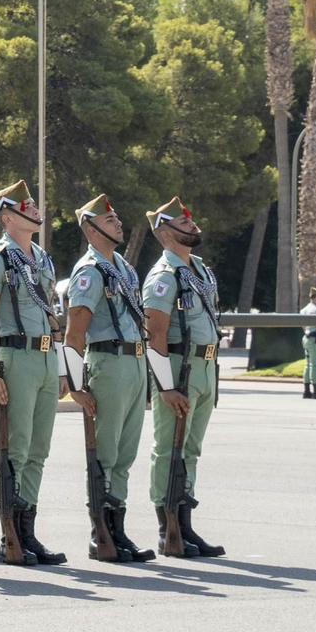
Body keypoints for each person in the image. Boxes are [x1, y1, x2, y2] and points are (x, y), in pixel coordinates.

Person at [0, 180, 67, 566]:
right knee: (18, 448)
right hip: (17, 356)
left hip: (44, 359)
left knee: (38, 451)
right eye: (26, 208)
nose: (35, 211)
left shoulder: (40, 257)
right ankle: (10, 535)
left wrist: (60, 364)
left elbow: (51, 315)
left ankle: (29, 533)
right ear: (8, 217)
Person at [61, 194, 154, 561]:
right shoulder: (90, 270)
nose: (117, 223)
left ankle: (118, 530)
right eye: (109, 219)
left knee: (125, 455)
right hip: (108, 361)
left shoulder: (124, 268)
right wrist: (77, 385)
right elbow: (74, 331)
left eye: (116, 217)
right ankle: (102, 533)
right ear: (90, 227)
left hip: (133, 363)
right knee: (106, 453)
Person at [142, 198, 225, 558]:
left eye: (190, 220)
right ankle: (168, 528)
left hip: (205, 368)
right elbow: (155, 334)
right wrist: (166, 386)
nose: (192, 225)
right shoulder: (164, 276)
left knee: (190, 448)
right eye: (183, 222)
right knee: (169, 449)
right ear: (165, 233)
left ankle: (186, 526)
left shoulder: (200, 270)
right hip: (179, 368)